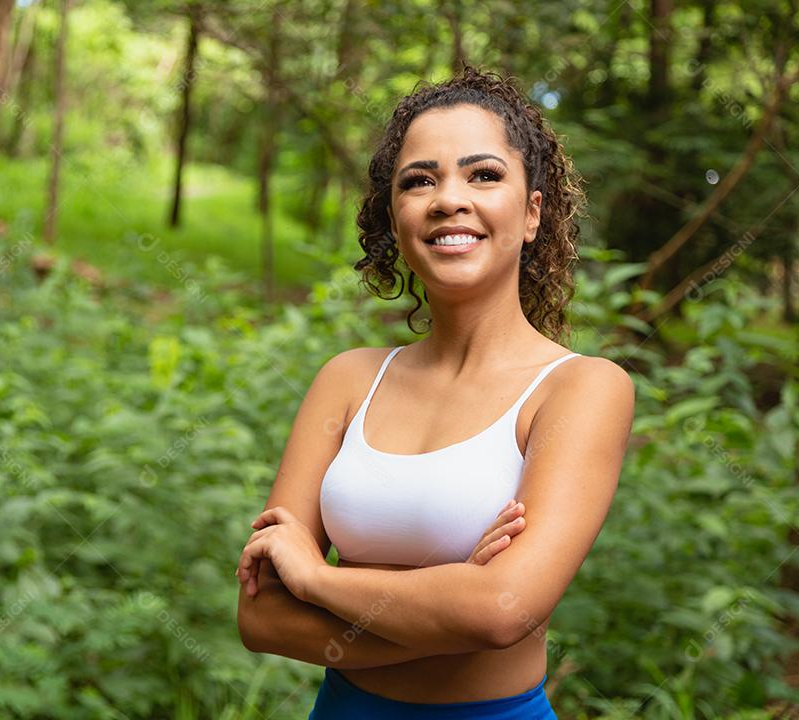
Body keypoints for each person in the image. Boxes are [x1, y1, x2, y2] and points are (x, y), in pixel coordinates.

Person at [235, 65, 635, 719]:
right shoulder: (348, 379)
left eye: (483, 175)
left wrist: (318, 579)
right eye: (419, 180)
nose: (449, 198)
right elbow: (262, 619)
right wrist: (448, 614)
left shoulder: (580, 389)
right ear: (395, 217)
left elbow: (500, 612)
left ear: (532, 212)